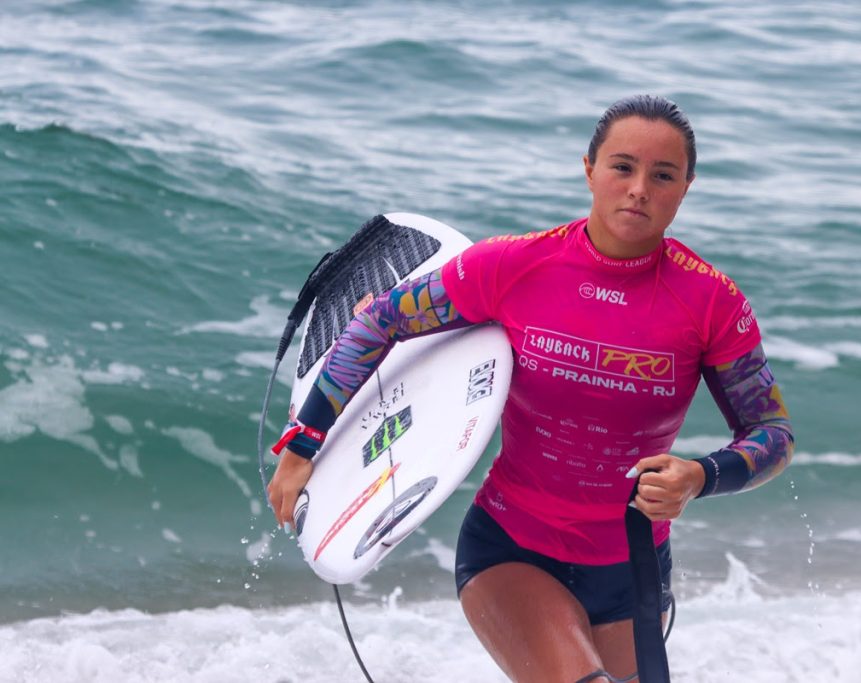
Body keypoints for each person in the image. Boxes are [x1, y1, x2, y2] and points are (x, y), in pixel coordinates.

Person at [268, 94, 794, 683]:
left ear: (686, 186)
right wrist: (302, 444)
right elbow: (381, 320)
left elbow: (771, 434)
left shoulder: (712, 304)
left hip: (634, 570)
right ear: (590, 168)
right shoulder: (515, 266)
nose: (639, 188)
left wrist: (701, 476)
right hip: (512, 549)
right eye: (623, 166)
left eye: (662, 175)